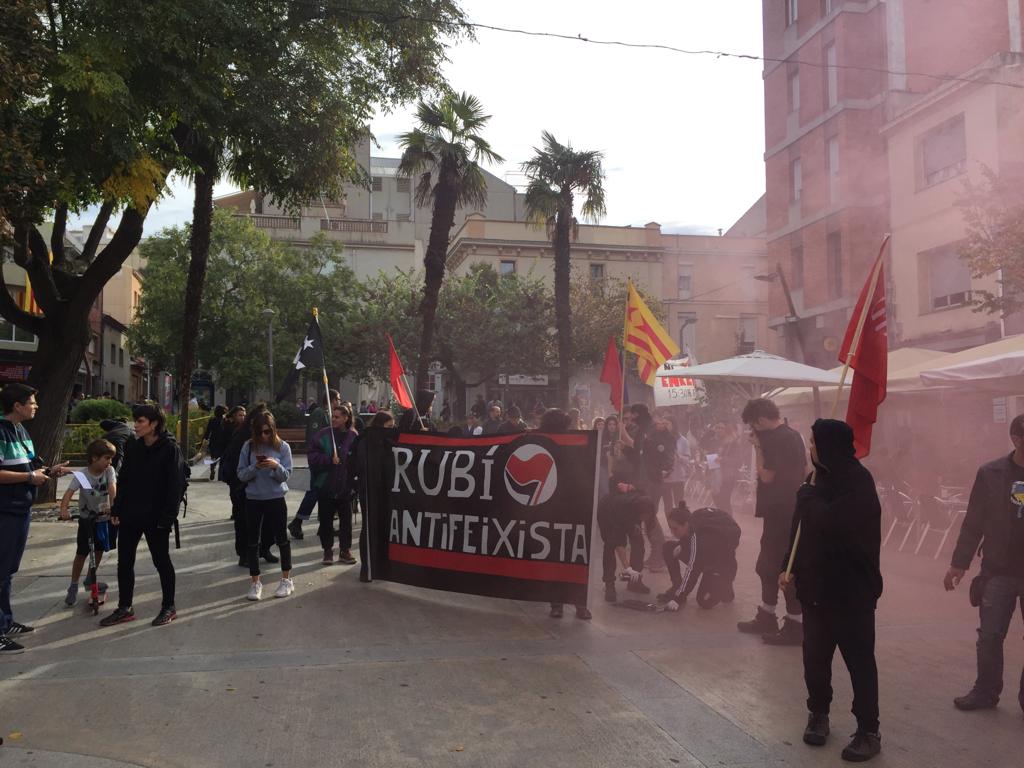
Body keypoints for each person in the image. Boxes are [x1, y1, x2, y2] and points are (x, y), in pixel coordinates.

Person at [783, 419, 883, 762]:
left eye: (814, 442)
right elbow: (799, 528)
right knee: (815, 659)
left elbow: (834, 522)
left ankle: (868, 730)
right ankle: (818, 714)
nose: (810, 448)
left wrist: (808, 500)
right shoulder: (814, 480)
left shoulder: (858, 482)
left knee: (859, 662)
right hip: (816, 589)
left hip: (851, 591)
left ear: (828, 446)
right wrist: (789, 565)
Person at [945, 414, 1024, 714]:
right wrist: (958, 564)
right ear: (1016, 439)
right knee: (990, 636)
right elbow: (973, 521)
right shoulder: (990, 473)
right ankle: (986, 691)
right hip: (998, 569)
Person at [100, 404, 184, 628]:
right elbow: (124, 480)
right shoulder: (134, 447)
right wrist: (116, 508)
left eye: (140, 421)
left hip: (156, 517)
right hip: (131, 514)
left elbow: (175, 485)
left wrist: (168, 516)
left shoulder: (169, 449)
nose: (135, 425)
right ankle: (125, 607)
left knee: (161, 561)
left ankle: (168, 606)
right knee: (124, 561)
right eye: (135, 421)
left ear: (154, 423)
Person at [0, 384, 70, 654]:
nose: (35, 406)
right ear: (17, 405)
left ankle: (5, 621)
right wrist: (29, 478)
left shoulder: (21, 431)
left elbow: (29, 466)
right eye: (31, 402)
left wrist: (48, 472)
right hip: (5, 510)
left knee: (8, 570)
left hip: (20, 508)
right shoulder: (2, 431)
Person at [737, 398, 806, 645]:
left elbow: (766, 476)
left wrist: (757, 448)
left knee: (782, 568)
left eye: (754, 426)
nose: (754, 432)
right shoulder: (793, 435)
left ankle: (795, 624)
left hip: (782, 511)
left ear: (761, 420)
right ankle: (767, 613)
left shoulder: (777, 440)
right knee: (768, 565)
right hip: (787, 509)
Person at [539, 408, 592, 621]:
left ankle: (559, 604)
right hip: (571, 507)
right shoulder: (573, 443)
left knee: (557, 556)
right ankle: (577, 604)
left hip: (554, 507)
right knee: (576, 556)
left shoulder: (541, 442)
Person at [236, 411, 294, 600]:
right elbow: (241, 474)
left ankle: (286, 580)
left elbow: (286, 475)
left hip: (276, 498)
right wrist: (255, 467)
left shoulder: (283, 447)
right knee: (253, 542)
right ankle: (255, 582)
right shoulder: (248, 446)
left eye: (267, 432)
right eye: (260, 432)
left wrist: (275, 466)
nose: (264, 436)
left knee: (282, 539)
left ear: (273, 430)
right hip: (253, 499)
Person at [59, 439, 118, 607]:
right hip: (86, 520)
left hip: (103, 518)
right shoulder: (83, 475)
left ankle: (90, 578)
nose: (110, 462)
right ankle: (73, 584)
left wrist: (114, 507)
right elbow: (69, 493)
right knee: (82, 552)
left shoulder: (109, 471)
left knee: (99, 549)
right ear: (94, 458)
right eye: (107, 458)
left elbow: (113, 488)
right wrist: (64, 509)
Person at [658, 503, 741, 611]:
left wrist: (678, 598)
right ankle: (677, 586)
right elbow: (689, 538)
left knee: (704, 601)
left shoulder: (698, 541)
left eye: (675, 528)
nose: (672, 532)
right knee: (669, 547)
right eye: (670, 528)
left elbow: (692, 571)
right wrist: (682, 544)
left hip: (721, 565)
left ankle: (725, 585)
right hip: (706, 555)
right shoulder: (693, 523)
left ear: (686, 524)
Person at [621, 404, 672, 571]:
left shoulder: (655, 429)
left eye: (633, 416)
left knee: (648, 515)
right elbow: (638, 451)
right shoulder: (643, 429)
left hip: (652, 480)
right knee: (646, 516)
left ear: (638, 414)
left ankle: (660, 555)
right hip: (642, 479)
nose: (632, 420)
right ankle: (656, 555)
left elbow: (664, 451)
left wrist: (665, 469)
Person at [310, 404, 358, 566]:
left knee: (346, 521)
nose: (334, 419)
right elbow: (313, 456)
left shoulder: (353, 436)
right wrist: (328, 460)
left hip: (345, 486)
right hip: (326, 485)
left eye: (337, 417)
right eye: (333, 416)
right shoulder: (323, 435)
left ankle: (345, 550)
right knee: (326, 520)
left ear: (346, 418)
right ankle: (327, 550)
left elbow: (357, 459)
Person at [289, 391, 341, 539]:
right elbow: (315, 437)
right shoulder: (319, 413)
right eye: (337, 399)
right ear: (330, 400)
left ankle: (325, 525)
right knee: (315, 491)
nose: (339, 401)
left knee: (325, 492)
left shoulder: (329, 414)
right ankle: (297, 522)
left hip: (329, 459)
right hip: (320, 460)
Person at [597, 472, 653, 603]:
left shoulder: (643, 501)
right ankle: (609, 583)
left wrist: (631, 487)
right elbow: (618, 543)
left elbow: (643, 493)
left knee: (638, 542)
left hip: (630, 511)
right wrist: (627, 568)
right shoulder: (618, 506)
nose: (644, 520)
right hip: (608, 514)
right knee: (610, 545)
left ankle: (635, 582)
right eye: (642, 518)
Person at [356, 410, 395, 582]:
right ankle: (367, 567)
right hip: (369, 491)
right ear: (380, 425)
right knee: (369, 528)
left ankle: (380, 566)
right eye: (389, 427)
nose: (391, 430)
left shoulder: (387, 441)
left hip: (384, 491)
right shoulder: (365, 441)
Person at [714, 421, 746, 513]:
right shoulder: (718, 442)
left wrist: (722, 459)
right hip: (716, 475)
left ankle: (728, 522)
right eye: (717, 428)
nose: (718, 430)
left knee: (724, 500)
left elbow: (738, 461)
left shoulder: (733, 444)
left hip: (728, 476)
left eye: (721, 428)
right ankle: (724, 520)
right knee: (717, 498)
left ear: (727, 430)